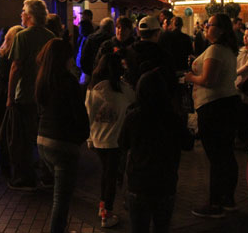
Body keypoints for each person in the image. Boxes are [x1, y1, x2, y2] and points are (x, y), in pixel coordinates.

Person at [119, 67, 194, 233]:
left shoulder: (133, 117)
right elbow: (188, 144)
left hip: (139, 182)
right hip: (165, 182)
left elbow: (122, 143)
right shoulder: (173, 118)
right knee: (162, 227)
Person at [184, 13, 239, 218]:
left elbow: (209, 80)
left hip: (215, 107)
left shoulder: (216, 49)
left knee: (217, 156)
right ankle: (228, 199)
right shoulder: (224, 50)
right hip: (225, 104)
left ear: (221, 29)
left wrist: (190, 77)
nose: (206, 27)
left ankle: (215, 203)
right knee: (225, 155)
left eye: (210, 24)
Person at [35, 38, 89, 233]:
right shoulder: (68, 82)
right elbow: (79, 115)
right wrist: (83, 136)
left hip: (43, 141)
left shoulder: (43, 79)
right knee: (61, 199)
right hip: (63, 144)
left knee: (59, 194)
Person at [6, 0, 55, 190]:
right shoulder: (51, 35)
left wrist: (10, 96)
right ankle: (47, 175)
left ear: (30, 15)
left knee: (22, 140)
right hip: (45, 94)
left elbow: (15, 68)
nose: (21, 14)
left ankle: (24, 178)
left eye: (23, 11)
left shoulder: (22, 37)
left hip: (25, 94)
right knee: (43, 137)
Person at [85, 53, 135, 228]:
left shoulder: (92, 89)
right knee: (111, 177)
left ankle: (102, 207)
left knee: (106, 175)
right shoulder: (121, 89)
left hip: (97, 140)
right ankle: (107, 214)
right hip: (115, 140)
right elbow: (135, 98)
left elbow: (88, 116)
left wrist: (89, 138)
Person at [0, 25, 24, 176]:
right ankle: (15, 163)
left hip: (1, 93)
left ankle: (4, 164)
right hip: (12, 94)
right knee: (14, 132)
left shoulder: (1, 54)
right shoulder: (16, 56)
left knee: (3, 129)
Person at [79, 17, 115, 86]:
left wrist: (90, 72)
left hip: (92, 74)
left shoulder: (91, 38)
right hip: (107, 76)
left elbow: (84, 58)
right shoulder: (112, 39)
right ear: (112, 28)